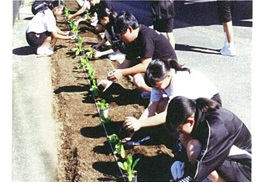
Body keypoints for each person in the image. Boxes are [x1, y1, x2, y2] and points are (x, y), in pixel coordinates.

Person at [122, 58, 221, 140]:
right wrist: (135, 130)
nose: (155, 89)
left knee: (179, 120)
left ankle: (182, 135)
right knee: (161, 105)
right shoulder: (160, 80)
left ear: (168, 76)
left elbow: (167, 114)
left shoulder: (178, 83)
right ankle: (176, 131)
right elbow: (151, 107)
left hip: (209, 104)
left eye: (157, 85)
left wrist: (139, 123)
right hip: (190, 102)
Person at [166, 96, 251, 181]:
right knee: (185, 138)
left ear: (190, 121)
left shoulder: (215, 128)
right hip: (226, 157)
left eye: (179, 129)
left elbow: (205, 164)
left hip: (247, 168)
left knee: (194, 148)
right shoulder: (194, 109)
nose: (178, 132)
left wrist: (188, 179)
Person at [103, 11, 177, 96]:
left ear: (130, 29)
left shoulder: (145, 35)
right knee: (132, 65)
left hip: (167, 69)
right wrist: (110, 78)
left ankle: (161, 93)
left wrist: (122, 72)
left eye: (121, 35)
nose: (121, 38)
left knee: (138, 81)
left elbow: (145, 65)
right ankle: (153, 89)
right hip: (155, 65)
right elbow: (127, 61)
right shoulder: (132, 40)